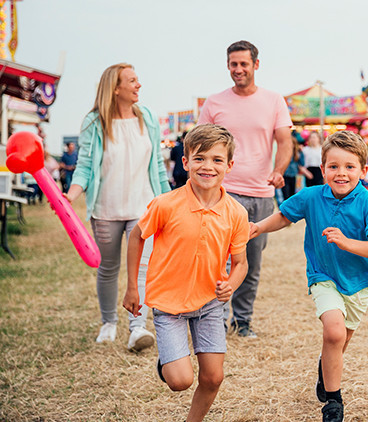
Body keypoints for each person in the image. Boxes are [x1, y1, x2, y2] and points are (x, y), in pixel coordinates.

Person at [248, 131, 368, 422]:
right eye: (334, 167)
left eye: (350, 167)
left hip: (359, 283)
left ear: (363, 170)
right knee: (334, 332)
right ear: (322, 169)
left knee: (339, 341)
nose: (341, 173)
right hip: (322, 275)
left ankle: (326, 370)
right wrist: (258, 228)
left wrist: (346, 242)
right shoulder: (311, 196)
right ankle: (333, 404)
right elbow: (284, 216)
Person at [124, 124, 249, 422]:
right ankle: (167, 363)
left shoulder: (236, 213)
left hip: (209, 305)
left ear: (229, 165)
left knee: (213, 377)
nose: (208, 166)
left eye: (217, 160)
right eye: (200, 158)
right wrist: (132, 287)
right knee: (180, 381)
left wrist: (230, 285)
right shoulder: (166, 204)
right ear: (185, 162)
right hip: (168, 305)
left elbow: (241, 263)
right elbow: (137, 236)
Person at [66, 63, 171, 351]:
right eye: (133, 81)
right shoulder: (93, 122)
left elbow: (158, 168)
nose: (139, 85)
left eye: (138, 80)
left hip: (143, 207)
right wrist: (70, 196)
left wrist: (169, 200)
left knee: (142, 270)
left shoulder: (146, 117)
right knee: (108, 267)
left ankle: (137, 328)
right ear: (116, 89)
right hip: (106, 209)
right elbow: (84, 167)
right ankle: (108, 321)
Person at [197, 40, 292, 338]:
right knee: (219, 260)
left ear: (256, 65)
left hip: (261, 194)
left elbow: (285, 141)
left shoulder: (274, 100)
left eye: (243, 64)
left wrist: (279, 171)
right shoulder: (214, 103)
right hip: (224, 194)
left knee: (249, 262)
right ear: (227, 66)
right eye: (233, 64)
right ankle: (215, 322)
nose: (238, 69)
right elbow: (199, 141)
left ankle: (243, 321)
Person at [281, 134, 313, 202]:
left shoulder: (298, 153)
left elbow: (302, 163)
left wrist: (300, 151)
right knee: (286, 195)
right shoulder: (283, 152)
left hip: (294, 176)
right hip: (285, 176)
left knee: (292, 195)